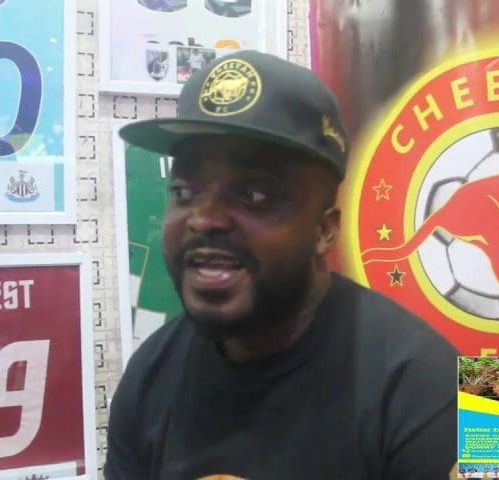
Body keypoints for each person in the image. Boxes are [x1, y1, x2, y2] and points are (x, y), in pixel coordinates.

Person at [105, 50, 458, 479]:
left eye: (253, 194)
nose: (204, 218)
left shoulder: (459, 387)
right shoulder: (148, 374)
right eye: (183, 191)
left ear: (325, 230)